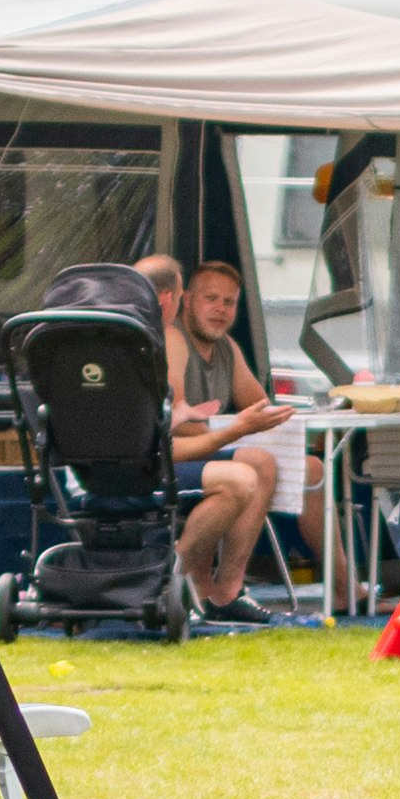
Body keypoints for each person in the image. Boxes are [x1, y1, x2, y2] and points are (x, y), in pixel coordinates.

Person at [161, 259, 296, 616]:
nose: (220, 309)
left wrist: (280, 419)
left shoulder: (226, 348)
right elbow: (176, 420)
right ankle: (178, 585)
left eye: (229, 302)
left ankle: (227, 591)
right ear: (185, 300)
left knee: (264, 463)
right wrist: (234, 429)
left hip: (199, 453)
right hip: (168, 458)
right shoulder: (173, 337)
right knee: (242, 476)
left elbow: (259, 406)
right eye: (211, 299)